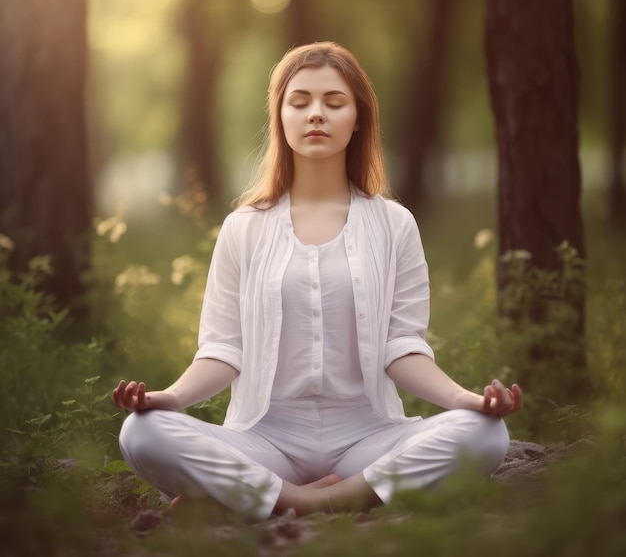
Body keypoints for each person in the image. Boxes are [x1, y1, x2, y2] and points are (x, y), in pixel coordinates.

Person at [113, 41, 522, 521]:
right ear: (281, 117)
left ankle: (285, 498)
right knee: (141, 433)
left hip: (368, 438)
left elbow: (403, 347)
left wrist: (468, 400)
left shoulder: (395, 224)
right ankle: (309, 496)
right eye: (300, 101)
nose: (316, 115)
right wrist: (170, 398)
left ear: (357, 119)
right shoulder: (244, 227)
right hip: (264, 439)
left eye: (334, 102)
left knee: (486, 435)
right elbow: (223, 348)